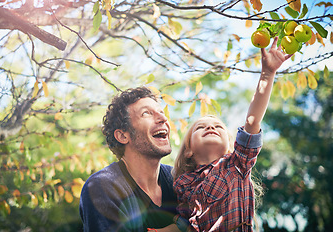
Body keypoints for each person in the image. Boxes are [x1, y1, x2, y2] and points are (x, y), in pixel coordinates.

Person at [154, 37, 293, 232]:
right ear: (188, 151)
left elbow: (252, 121)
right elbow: (185, 224)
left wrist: (267, 74)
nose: (210, 127)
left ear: (229, 146)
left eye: (218, 127)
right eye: (200, 127)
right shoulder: (182, 183)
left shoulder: (236, 164)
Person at [79, 87, 188, 232]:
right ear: (123, 136)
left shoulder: (178, 180)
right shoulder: (103, 187)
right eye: (146, 113)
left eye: (161, 112)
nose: (163, 118)